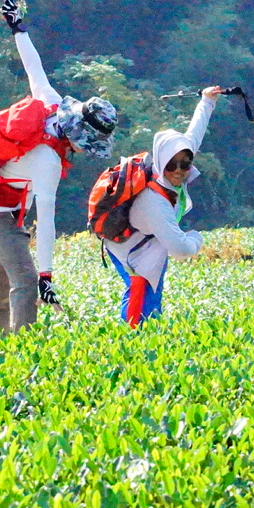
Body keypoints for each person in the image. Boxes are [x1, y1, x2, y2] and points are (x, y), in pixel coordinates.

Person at [0, 0, 117, 333]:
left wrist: (18, 27)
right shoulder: (47, 160)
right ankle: (21, 346)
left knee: (0, 285)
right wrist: (46, 277)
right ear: (79, 134)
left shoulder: (51, 104)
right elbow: (46, 221)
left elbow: (34, 68)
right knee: (25, 281)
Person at [103, 86, 225, 327]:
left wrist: (207, 101)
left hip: (149, 240)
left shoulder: (170, 168)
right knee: (143, 297)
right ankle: (132, 340)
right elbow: (181, 249)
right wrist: (196, 237)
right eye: (172, 165)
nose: (179, 171)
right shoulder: (154, 201)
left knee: (151, 294)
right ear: (161, 162)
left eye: (185, 163)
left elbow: (193, 136)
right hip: (130, 245)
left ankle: (143, 334)